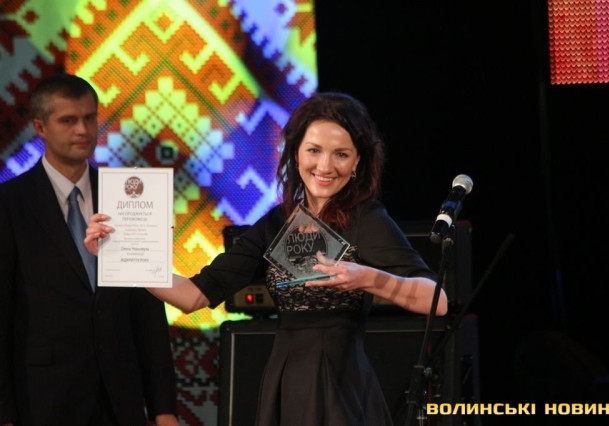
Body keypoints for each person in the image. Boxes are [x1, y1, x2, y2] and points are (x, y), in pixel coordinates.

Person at [86, 91, 448, 425]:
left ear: (357, 163)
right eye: (314, 150)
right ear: (295, 153)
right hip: (285, 380)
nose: (325, 166)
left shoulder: (366, 218)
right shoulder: (276, 223)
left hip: (341, 384)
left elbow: (439, 300)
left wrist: (368, 277)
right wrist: (119, 255)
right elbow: (192, 295)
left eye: (341, 154)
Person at [0, 73, 180, 426]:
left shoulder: (131, 198)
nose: (82, 130)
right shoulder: (9, 204)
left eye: (89, 118)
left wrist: (164, 409)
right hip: (41, 401)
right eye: (68, 120)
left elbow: (148, 313)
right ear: (40, 127)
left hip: (120, 400)